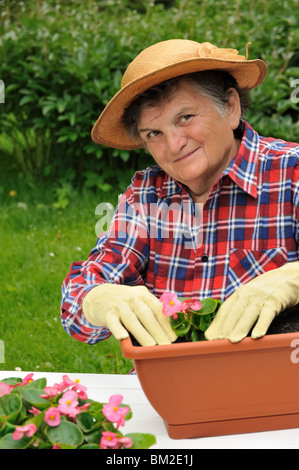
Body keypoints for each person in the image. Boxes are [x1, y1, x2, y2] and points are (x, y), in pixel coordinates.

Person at [61, 39, 299, 347]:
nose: (174, 145)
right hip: (169, 387)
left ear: (230, 108)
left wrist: (292, 278)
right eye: (154, 134)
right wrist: (96, 298)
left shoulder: (291, 172)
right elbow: (80, 304)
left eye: (185, 118)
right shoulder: (146, 195)